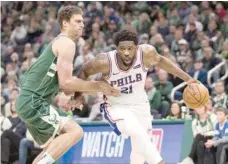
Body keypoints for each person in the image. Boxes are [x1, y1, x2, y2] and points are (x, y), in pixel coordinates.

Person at [15, 5, 120, 164]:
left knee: (52, 151)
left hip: (30, 101)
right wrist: (99, 85)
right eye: (77, 21)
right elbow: (67, 82)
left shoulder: (61, 44)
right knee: (75, 131)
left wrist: (76, 98)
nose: (82, 25)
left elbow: (64, 87)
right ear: (65, 23)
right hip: (33, 101)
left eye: (83, 21)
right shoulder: (66, 43)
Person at [77, 29, 198, 164]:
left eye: (130, 48)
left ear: (136, 47)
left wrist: (187, 78)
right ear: (116, 48)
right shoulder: (104, 61)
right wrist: (77, 95)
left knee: (139, 148)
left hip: (140, 103)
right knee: (137, 132)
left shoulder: (146, 53)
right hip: (116, 106)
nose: (126, 52)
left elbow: (161, 61)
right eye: (122, 49)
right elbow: (84, 70)